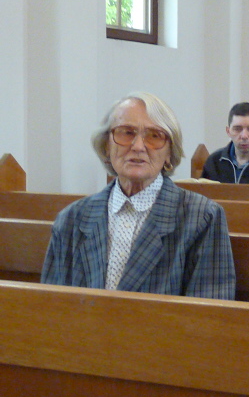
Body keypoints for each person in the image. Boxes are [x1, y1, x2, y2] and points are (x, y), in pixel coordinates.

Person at [41, 92, 236, 299]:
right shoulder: (71, 219)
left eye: (154, 136)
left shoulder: (202, 217)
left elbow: (209, 312)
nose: (138, 146)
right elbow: (49, 307)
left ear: (169, 152)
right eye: (126, 133)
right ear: (107, 145)